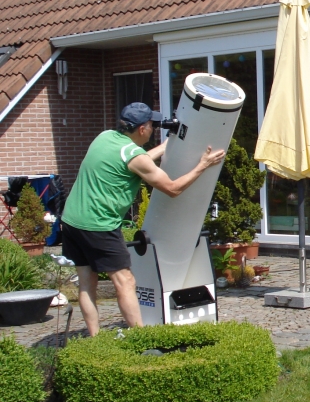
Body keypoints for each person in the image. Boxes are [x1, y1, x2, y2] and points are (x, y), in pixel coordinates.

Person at [61, 102, 225, 336]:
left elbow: (134, 160)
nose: (153, 129)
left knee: (87, 283)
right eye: (152, 125)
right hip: (99, 225)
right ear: (142, 129)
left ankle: (95, 339)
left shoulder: (105, 137)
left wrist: (166, 146)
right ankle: (141, 338)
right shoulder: (133, 155)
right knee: (125, 281)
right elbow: (172, 188)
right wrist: (203, 165)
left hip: (71, 220)